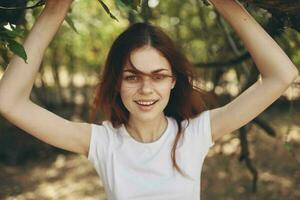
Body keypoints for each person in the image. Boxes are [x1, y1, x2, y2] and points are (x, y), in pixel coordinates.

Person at [0, 0, 298, 199]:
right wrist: (55, 10)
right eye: (132, 76)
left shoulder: (194, 134)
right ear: (117, 83)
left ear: (173, 81)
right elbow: (9, 102)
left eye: (158, 76)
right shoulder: (103, 143)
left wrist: (224, 3)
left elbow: (281, 75)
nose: (145, 89)